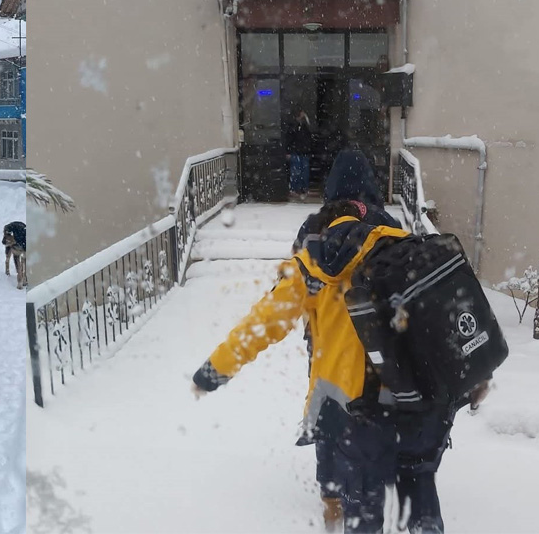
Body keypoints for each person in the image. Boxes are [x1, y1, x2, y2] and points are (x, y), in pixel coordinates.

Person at [192, 200, 488, 533]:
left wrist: (215, 370)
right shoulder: (404, 244)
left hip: (367, 411)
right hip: (426, 402)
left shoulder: (311, 266)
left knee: (364, 505)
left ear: (318, 230)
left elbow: (261, 324)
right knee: (419, 484)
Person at [291, 152, 402, 532]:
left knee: (328, 410)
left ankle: (331, 493)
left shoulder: (315, 226)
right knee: (368, 414)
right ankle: (365, 490)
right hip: (375, 343)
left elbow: (302, 274)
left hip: (325, 340)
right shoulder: (388, 225)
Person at [286, 109, 312, 200]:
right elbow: (289, 138)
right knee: (296, 171)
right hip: (296, 151)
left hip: (302, 151)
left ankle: (303, 188)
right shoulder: (294, 127)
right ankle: (295, 188)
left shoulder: (305, 127)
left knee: (304, 172)